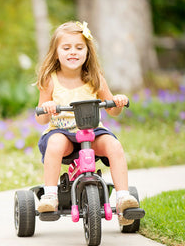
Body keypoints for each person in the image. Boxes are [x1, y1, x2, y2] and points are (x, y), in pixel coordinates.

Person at [35, 21, 138, 226]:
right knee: (55, 143)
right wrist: (47, 108)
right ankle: (50, 196)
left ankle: (123, 197)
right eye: (66, 48)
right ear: (56, 53)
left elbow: (112, 110)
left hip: (92, 132)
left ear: (87, 52)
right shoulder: (50, 79)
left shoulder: (95, 78)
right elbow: (40, 118)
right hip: (62, 133)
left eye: (79, 47)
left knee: (113, 145)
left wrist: (116, 101)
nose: (73, 52)